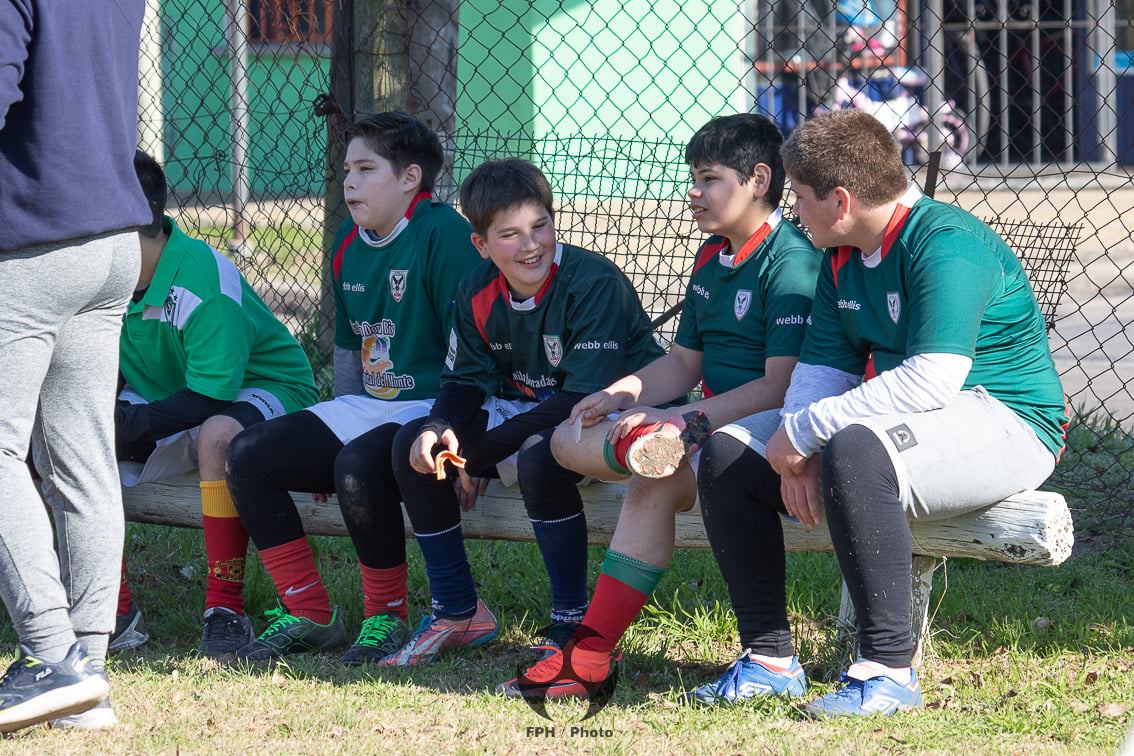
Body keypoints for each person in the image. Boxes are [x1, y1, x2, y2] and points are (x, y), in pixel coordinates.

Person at [693, 109, 1067, 716]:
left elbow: (934, 378)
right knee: (731, 451)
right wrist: (799, 444)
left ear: (840, 200)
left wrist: (810, 433)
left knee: (856, 447)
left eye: (801, 199)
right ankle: (768, 661)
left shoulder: (946, 245)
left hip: (1007, 420)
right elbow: (819, 374)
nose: (794, 213)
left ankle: (887, 672)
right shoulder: (841, 250)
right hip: (912, 420)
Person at [498, 114, 821, 698]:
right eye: (692, 177)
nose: (693, 192)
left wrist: (685, 420)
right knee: (568, 437)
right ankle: (591, 654)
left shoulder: (791, 260)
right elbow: (683, 364)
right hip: (706, 424)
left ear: (758, 180)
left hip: (762, 434)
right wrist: (622, 393)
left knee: (653, 466)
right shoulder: (710, 256)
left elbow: (781, 385)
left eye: (709, 179)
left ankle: (597, 651)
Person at [385, 158, 665, 667]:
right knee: (415, 445)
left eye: (541, 226)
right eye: (511, 234)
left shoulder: (592, 283)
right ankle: (456, 610)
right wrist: (439, 428)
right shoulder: (474, 289)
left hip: (620, 416)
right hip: (535, 410)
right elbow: (463, 381)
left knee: (539, 456)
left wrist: (478, 454)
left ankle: (569, 619)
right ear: (482, 246)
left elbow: (574, 402)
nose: (532, 244)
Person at [225, 112, 481, 662]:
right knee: (247, 453)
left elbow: (474, 350)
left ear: (411, 177)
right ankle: (308, 611)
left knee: (354, 467)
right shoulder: (347, 239)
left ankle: (385, 617)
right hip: (367, 405)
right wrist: (331, 423)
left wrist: (456, 435)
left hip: (434, 406)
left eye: (366, 169)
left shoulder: (443, 235)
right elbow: (347, 349)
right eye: (347, 169)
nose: (349, 182)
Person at [0, 0, 150, 732]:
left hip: (25, 243)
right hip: (112, 237)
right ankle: (83, 676)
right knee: (86, 457)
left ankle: (52, 659)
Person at [111, 151, 318, 659]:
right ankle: (112, 609)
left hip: (264, 390)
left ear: (132, 220)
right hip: (167, 395)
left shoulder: (202, 279)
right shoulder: (101, 275)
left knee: (218, 435)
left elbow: (212, 395)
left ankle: (224, 605)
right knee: (77, 438)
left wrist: (135, 424)